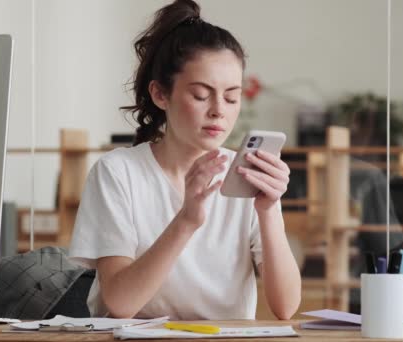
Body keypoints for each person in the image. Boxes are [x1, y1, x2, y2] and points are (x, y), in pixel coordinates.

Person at [69, 0, 300, 320]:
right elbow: (120, 304)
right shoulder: (119, 172)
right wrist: (186, 220)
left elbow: (286, 307)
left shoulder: (245, 175)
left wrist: (269, 209)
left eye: (232, 97)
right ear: (160, 94)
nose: (220, 109)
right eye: (202, 95)